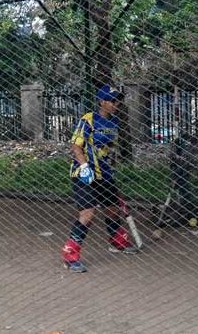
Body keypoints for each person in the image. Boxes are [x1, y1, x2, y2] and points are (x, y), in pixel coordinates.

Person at [61, 85, 138, 273]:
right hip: (84, 174)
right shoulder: (89, 119)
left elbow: (109, 152)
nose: (116, 104)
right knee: (87, 214)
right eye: (112, 100)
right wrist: (85, 166)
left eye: (117, 100)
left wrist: (112, 177)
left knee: (112, 209)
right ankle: (70, 255)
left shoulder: (113, 124)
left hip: (104, 174)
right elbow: (76, 145)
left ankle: (116, 241)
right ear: (102, 101)